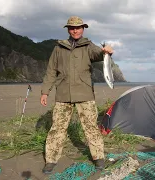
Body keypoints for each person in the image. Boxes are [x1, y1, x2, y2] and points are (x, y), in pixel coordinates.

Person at [40, 16, 113, 174]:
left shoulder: (88, 46)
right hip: (63, 94)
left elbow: (99, 55)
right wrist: (45, 92)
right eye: (72, 28)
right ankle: (51, 160)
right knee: (57, 128)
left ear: (83, 28)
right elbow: (51, 71)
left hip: (85, 93)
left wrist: (106, 51)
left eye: (78, 27)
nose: (75, 30)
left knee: (91, 127)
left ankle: (99, 158)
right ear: (68, 29)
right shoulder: (58, 48)